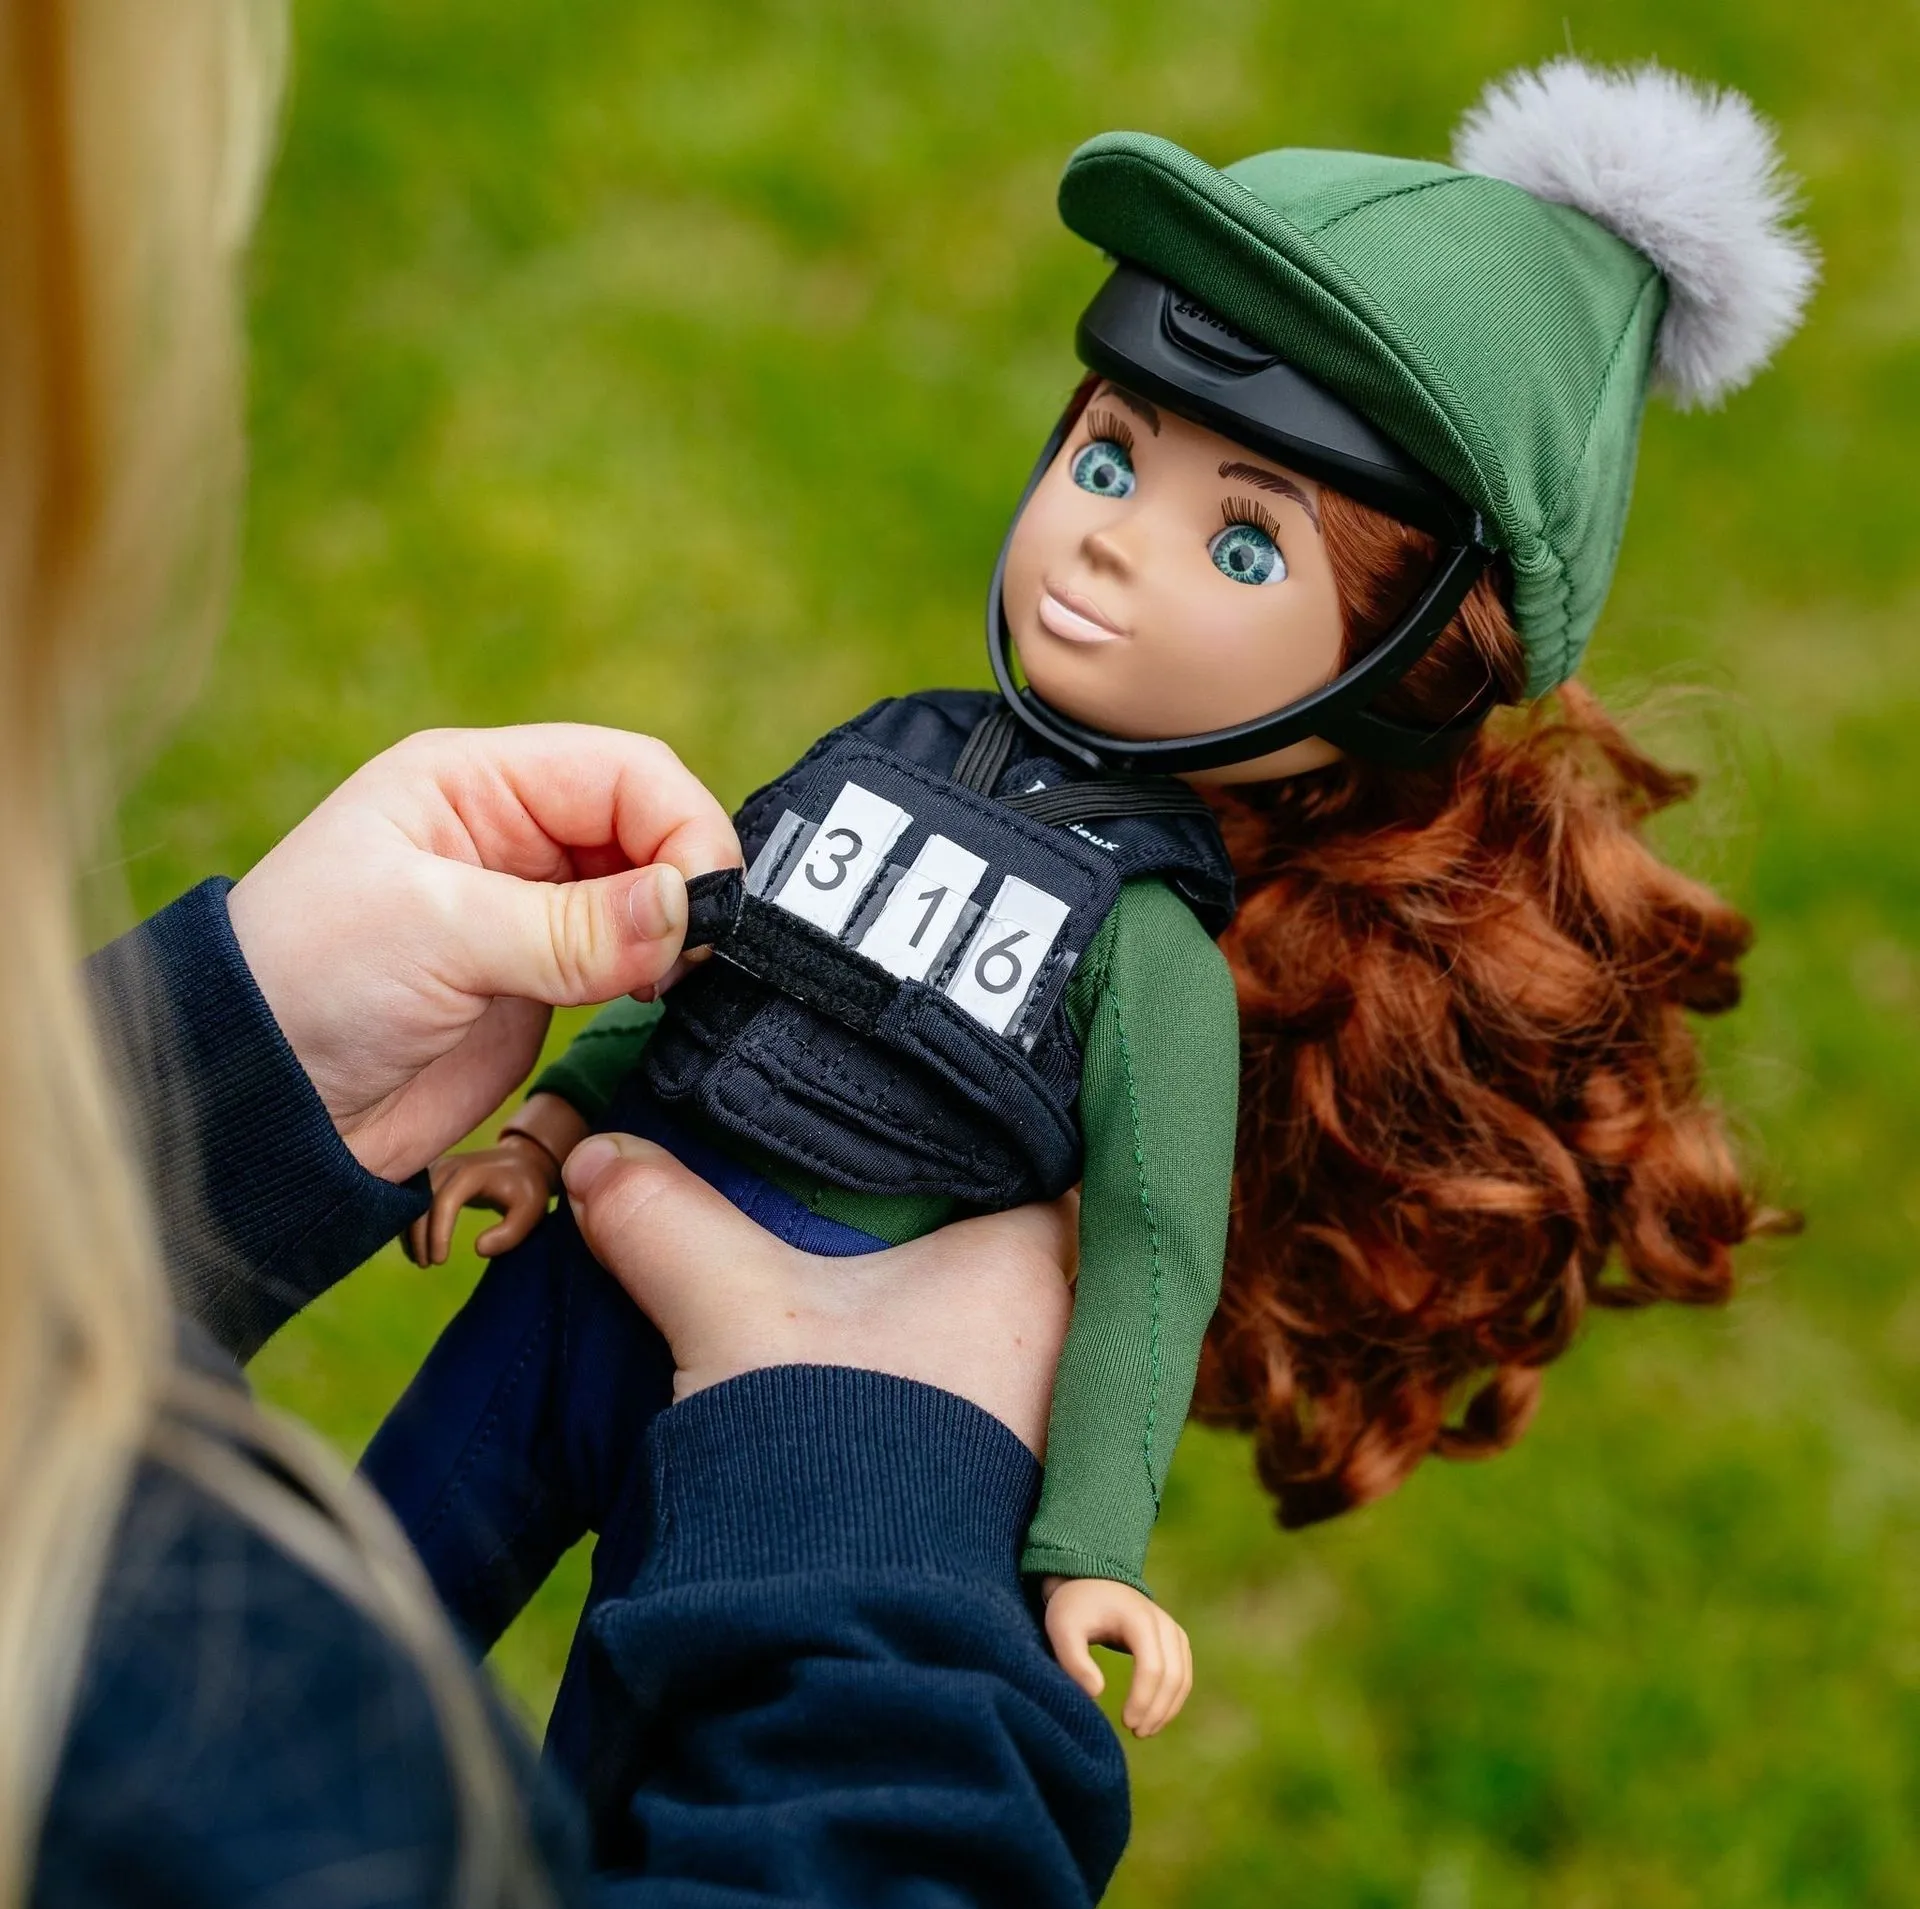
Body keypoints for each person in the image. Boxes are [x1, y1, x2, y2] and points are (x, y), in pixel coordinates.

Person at [376, 54, 1811, 1772]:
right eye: (1114, 455)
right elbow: (716, 951)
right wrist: (550, 1121)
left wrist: (1089, 1549)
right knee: (349, 1616)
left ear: (1400, 672)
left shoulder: (1147, 948)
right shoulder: (890, 750)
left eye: (1248, 545)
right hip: (566, 1292)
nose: (1111, 542)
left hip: (807, 1407)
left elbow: (1148, 1257)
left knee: (643, 1770)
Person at [5, 5, 1131, 1909]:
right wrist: (883, 1533)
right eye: (1107, 458)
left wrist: (213, 1076)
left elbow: (1160, 1245)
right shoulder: (216, 1800)